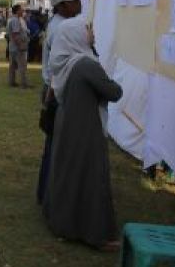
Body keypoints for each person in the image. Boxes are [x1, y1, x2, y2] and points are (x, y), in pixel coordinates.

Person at [42, 20, 123, 250]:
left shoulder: (66, 62)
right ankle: (95, 233)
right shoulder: (86, 65)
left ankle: (65, 223)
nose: (92, 34)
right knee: (90, 177)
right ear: (76, 36)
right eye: (88, 30)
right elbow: (114, 92)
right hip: (86, 127)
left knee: (69, 173)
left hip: (69, 124)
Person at [37, 0, 82, 204]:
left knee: (54, 145)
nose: (79, 3)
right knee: (57, 146)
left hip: (54, 89)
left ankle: (47, 193)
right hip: (57, 90)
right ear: (62, 6)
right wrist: (50, 99)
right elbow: (57, 68)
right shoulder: (62, 28)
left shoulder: (59, 24)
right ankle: (50, 195)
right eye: (74, 0)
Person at [6, 4, 30, 88]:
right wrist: (20, 45)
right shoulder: (16, 20)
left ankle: (12, 82)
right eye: (21, 10)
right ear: (17, 11)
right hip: (17, 47)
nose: (23, 11)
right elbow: (15, 34)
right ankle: (24, 83)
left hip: (12, 46)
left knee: (12, 66)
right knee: (22, 66)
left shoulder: (12, 19)